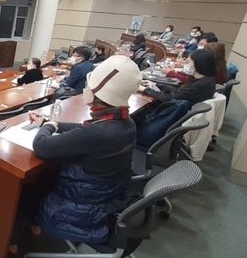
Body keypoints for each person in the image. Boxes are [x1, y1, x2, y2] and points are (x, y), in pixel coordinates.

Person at [28, 55, 142, 243]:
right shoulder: (127, 123)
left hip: (79, 210)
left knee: (32, 183)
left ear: (98, 92)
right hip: (105, 197)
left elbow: (41, 146)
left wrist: (48, 127)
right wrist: (53, 123)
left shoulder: (97, 133)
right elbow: (84, 129)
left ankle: (26, 227)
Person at [140, 49, 216, 106]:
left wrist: (144, 89)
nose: (185, 65)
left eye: (188, 62)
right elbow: (178, 92)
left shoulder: (200, 85)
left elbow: (169, 98)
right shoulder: (203, 79)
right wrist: (154, 84)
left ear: (198, 65)